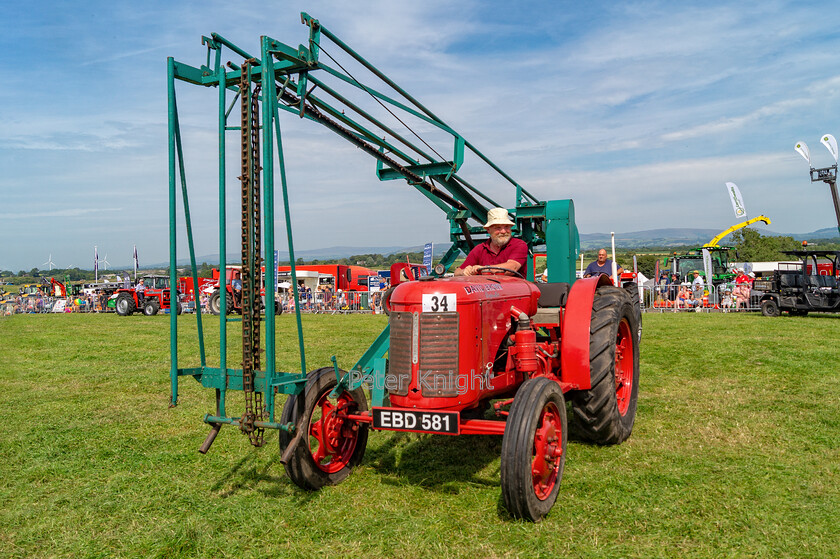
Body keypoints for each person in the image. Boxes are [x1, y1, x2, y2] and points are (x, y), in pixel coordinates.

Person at [455, 208, 528, 277]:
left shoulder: (519, 245)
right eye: (498, 228)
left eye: (506, 227)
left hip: (514, 289)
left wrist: (483, 269)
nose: (503, 231)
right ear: (488, 230)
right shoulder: (480, 249)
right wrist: (464, 271)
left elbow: (512, 268)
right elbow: (457, 272)